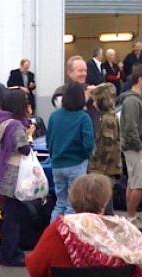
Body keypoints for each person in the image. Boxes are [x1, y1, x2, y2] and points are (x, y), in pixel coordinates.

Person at [0, 89, 34, 267]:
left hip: (2, 172)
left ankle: (5, 250)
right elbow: (24, 148)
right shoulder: (16, 125)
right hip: (15, 174)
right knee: (13, 217)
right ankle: (11, 253)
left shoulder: (1, 121)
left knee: (6, 214)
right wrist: (29, 133)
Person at [47, 82, 95, 221]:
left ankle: (53, 233)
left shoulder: (54, 116)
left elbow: (49, 140)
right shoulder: (83, 117)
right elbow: (88, 143)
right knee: (72, 205)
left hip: (57, 164)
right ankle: (68, 238)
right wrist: (85, 156)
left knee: (60, 203)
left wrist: (54, 155)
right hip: (77, 163)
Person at [117, 65, 142, 225]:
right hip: (136, 148)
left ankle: (130, 216)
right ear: (140, 80)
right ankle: (131, 217)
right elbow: (130, 127)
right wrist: (140, 147)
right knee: (141, 183)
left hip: (135, 147)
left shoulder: (136, 99)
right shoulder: (132, 101)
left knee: (134, 182)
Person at [88, 83, 121, 183]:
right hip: (110, 168)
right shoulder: (111, 116)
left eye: (95, 100)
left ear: (102, 101)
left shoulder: (108, 119)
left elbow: (108, 146)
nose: (93, 104)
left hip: (106, 170)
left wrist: (99, 168)